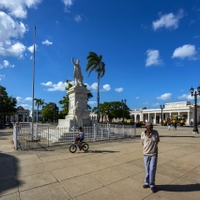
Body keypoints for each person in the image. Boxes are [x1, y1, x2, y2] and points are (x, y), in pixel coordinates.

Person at [141, 122, 160, 193]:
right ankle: (146, 183)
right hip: (146, 154)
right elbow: (142, 143)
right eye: (149, 127)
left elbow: (157, 141)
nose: (151, 129)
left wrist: (153, 148)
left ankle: (152, 184)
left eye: (151, 127)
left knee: (152, 169)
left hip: (153, 154)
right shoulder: (143, 133)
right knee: (147, 169)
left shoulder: (155, 132)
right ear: (146, 128)